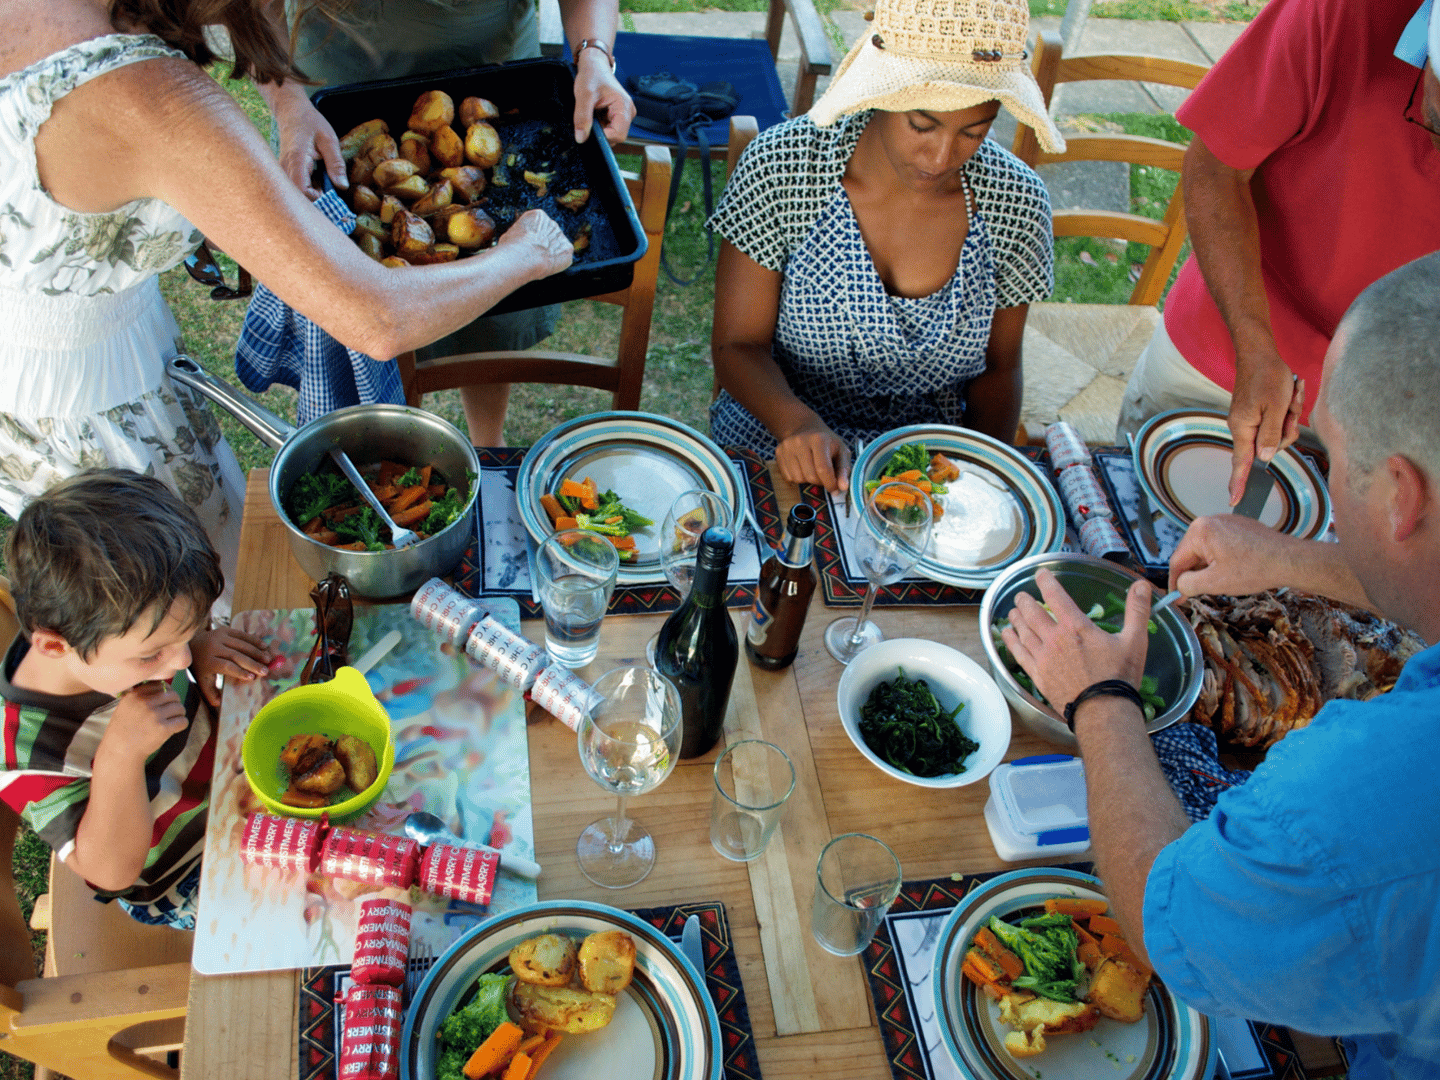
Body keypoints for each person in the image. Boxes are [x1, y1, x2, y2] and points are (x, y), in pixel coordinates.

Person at [1003, 251, 1440, 1078]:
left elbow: (1171, 923)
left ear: (1401, 493)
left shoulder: (1377, 790)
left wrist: (1099, 697)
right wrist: (1297, 561)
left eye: (1334, 461)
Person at [0, 0, 574, 603]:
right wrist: (524, 253)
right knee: (187, 599)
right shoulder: (159, 100)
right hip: (89, 402)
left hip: (35, 367)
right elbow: (378, 318)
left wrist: (287, 108)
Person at [707, 0, 1059, 493]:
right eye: (922, 125)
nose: (941, 157)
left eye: (974, 132)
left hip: (930, 464)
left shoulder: (1014, 201)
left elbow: (999, 371)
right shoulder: (785, 166)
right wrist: (796, 423)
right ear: (884, 92)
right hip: (777, 439)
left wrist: (981, 482)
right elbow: (736, 346)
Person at [259, 0, 637, 446]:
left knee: (494, 308)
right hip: (333, 97)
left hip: (498, 74)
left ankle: (487, 444)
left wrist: (593, 53)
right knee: (354, 325)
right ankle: (383, 454)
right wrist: (286, 101)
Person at [1115, 0, 1440, 510]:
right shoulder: (1341, 13)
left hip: (1405, 415)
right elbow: (1215, 169)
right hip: (1227, 365)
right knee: (1139, 550)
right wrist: (1255, 345)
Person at [0, 470, 273, 930]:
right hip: (189, 870)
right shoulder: (26, 754)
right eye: (155, 653)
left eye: (187, 634)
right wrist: (119, 757)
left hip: (237, 775)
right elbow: (111, 873)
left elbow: (174, 648)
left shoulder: (119, 642)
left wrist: (200, 645)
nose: (179, 659)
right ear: (54, 646)